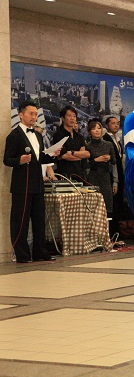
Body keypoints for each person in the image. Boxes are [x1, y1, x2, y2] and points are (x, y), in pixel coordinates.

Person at [4, 100, 59, 263]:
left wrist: (52, 154)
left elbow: (40, 158)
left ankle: (40, 251)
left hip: (37, 183)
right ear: (21, 115)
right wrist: (19, 160)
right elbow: (7, 159)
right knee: (20, 220)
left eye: (35, 114)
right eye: (30, 113)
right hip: (22, 185)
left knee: (39, 219)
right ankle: (22, 254)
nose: (34, 117)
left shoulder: (37, 135)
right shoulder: (14, 136)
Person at [85, 120, 118, 222]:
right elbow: (85, 165)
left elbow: (114, 162)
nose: (97, 131)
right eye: (94, 129)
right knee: (93, 207)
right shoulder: (87, 146)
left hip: (106, 177)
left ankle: (107, 235)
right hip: (92, 177)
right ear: (89, 131)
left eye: (99, 128)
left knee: (107, 208)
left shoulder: (108, 144)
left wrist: (115, 182)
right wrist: (96, 160)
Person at [52, 105, 89, 180]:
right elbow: (65, 156)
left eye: (74, 116)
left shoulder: (79, 136)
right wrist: (80, 155)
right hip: (65, 175)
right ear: (63, 118)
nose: (72, 118)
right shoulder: (58, 135)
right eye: (69, 116)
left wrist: (72, 152)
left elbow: (87, 154)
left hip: (80, 174)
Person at [103, 116, 125, 236]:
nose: (116, 125)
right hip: (110, 176)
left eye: (117, 123)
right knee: (112, 205)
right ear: (107, 126)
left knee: (118, 205)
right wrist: (115, 181)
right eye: (113, 123)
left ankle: (117, 232)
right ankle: (112, 234)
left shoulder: (118, 140)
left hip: (119, 175)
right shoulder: (106, 139)